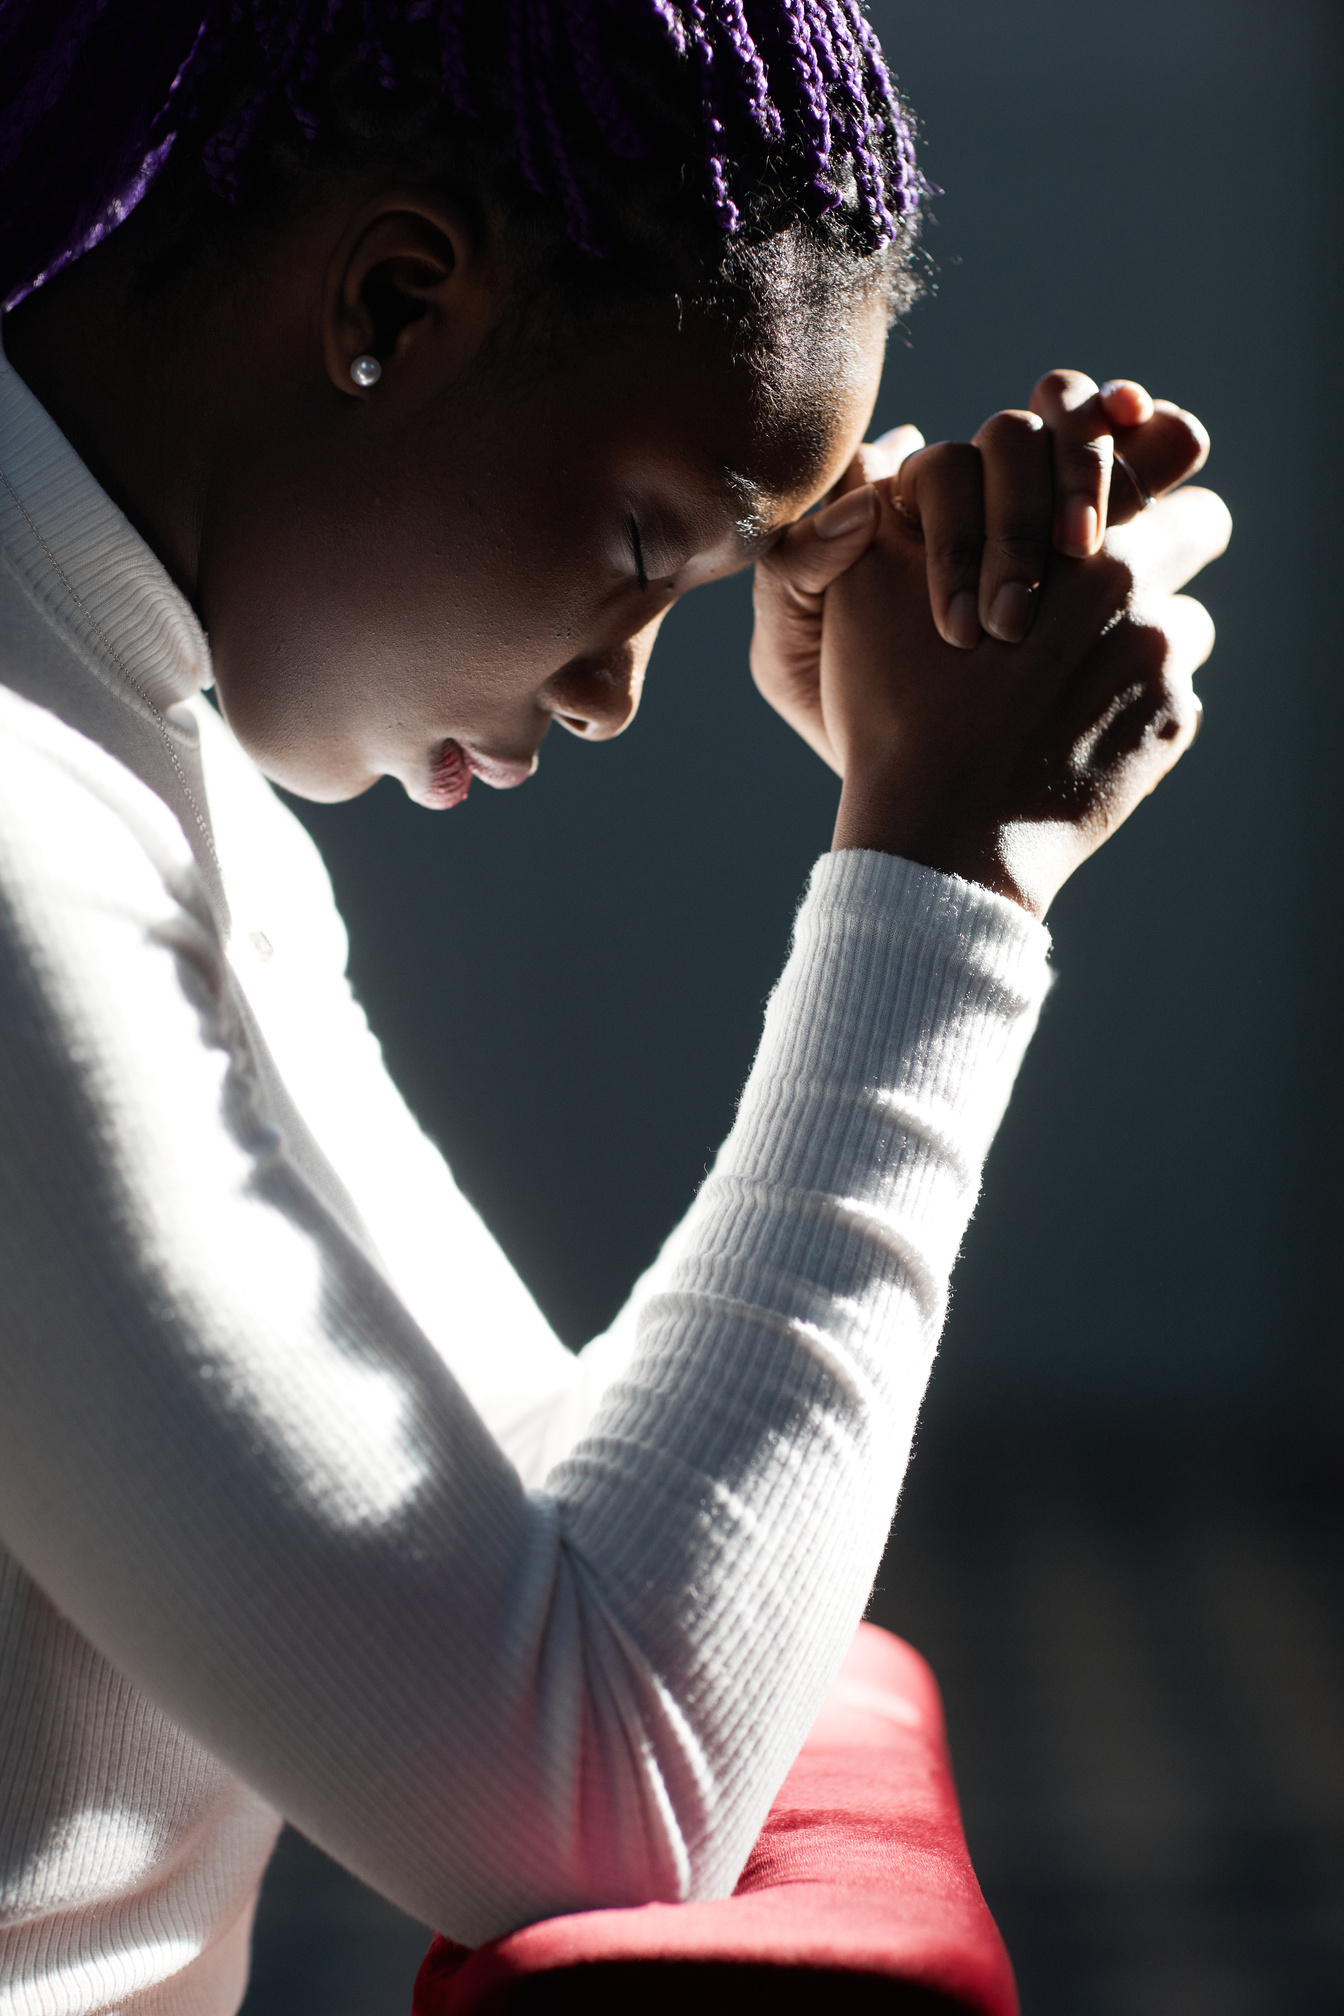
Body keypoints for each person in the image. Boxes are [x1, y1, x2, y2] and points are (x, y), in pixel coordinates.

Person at [0, 3, 1229, 2011]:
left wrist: (910, 795)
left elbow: (552, 1535)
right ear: (391, 299)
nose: (608, 692)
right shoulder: (22, 821)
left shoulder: (132, 754)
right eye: (653, 541)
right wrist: (945, 885)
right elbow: (600, 1804)